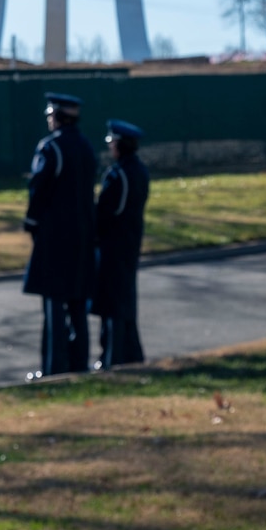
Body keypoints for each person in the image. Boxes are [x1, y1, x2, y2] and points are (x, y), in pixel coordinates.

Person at [23, 92, 96, 378]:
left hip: (55, 237)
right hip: (83, 237)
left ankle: (54, 367)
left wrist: (31, 221)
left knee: (54, 303)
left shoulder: (52, 148)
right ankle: (79, 365)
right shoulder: (86, 147)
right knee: (78, 304)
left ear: (57, 117)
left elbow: (39, 187)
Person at [91, 119, 149, 367]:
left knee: (113, 302)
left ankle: (113, 355)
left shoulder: (120, 175)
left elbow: (108, 211)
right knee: (125, 299)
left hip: (114, 244)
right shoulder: (138, 170)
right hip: (128, 242)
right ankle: (130, 352)